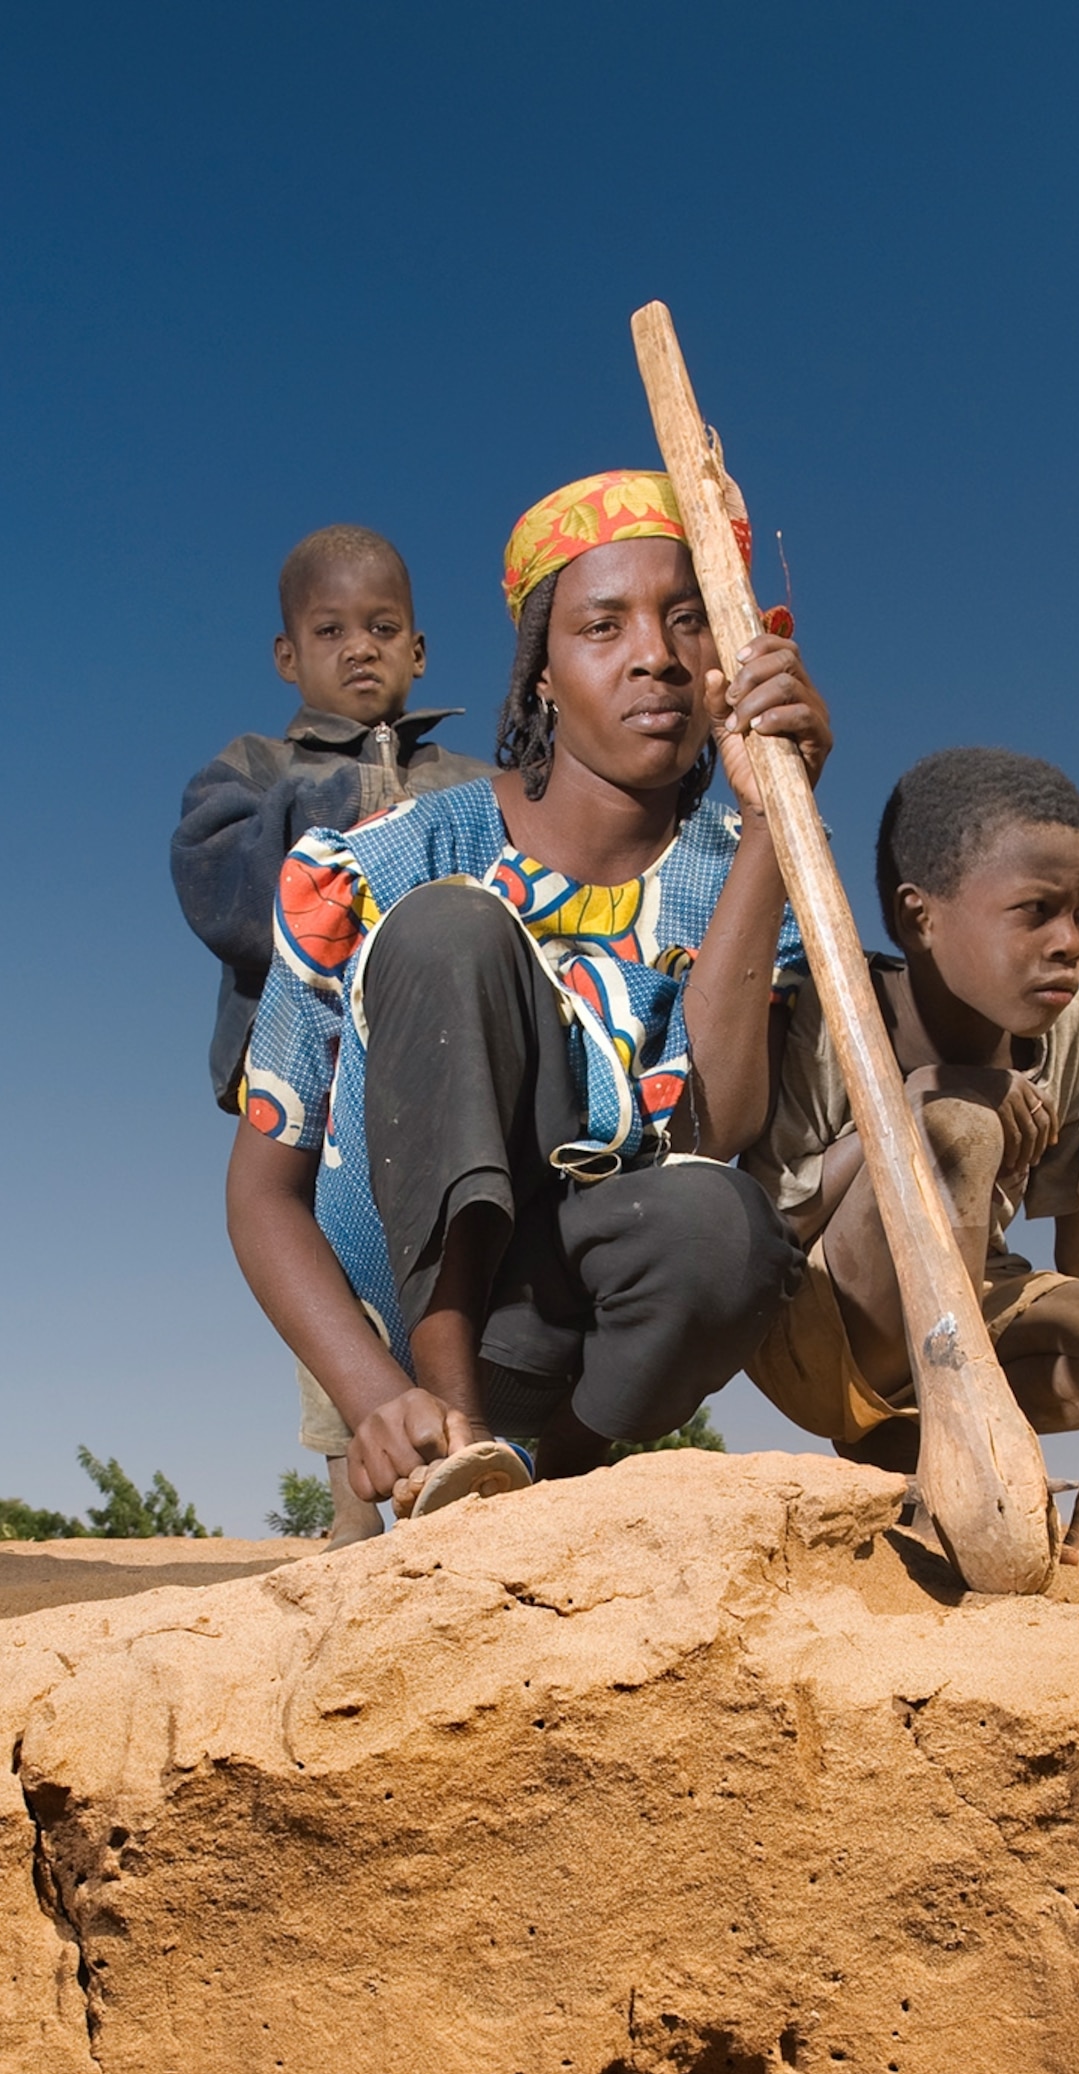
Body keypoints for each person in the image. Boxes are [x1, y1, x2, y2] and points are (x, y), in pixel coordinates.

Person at [224, 470, 828, 1522]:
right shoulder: (387, 860)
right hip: (414, 1335)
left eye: (686, 621)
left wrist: (778, 818)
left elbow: (717, 1128)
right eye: (602, 625)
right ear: (540, 675)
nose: (655, 654)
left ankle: (559, 1466)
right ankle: (452, 1460)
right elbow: (263, 1190)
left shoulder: (743, 870)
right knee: (452, 929)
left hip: (572, 1326)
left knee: (724, 1227)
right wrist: (373, 1398)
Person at [742, 746, 1079, 1555]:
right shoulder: (834, 1009)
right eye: (1034, 911)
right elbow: (774, 1226)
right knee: (958, 1126)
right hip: (819, 1327)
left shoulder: (1073, 1031)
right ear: (919, 916)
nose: (1068, 942)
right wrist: (917, 1095)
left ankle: (908, 1446)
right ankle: (947, 1457)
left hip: (972, 1307)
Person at [173, 523, 488, 1543]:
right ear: (288, 656)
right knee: (331, 1280)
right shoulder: (252, 773)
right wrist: (363, 807)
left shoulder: (474, 782)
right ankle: (356, 1522)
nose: (360, 647)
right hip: (311, 1068)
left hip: (440, 1080)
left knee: (452, 1267)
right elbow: (220, 891)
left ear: (419, 650)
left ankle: (480, 1478)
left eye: (382, 627)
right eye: (331, 629)